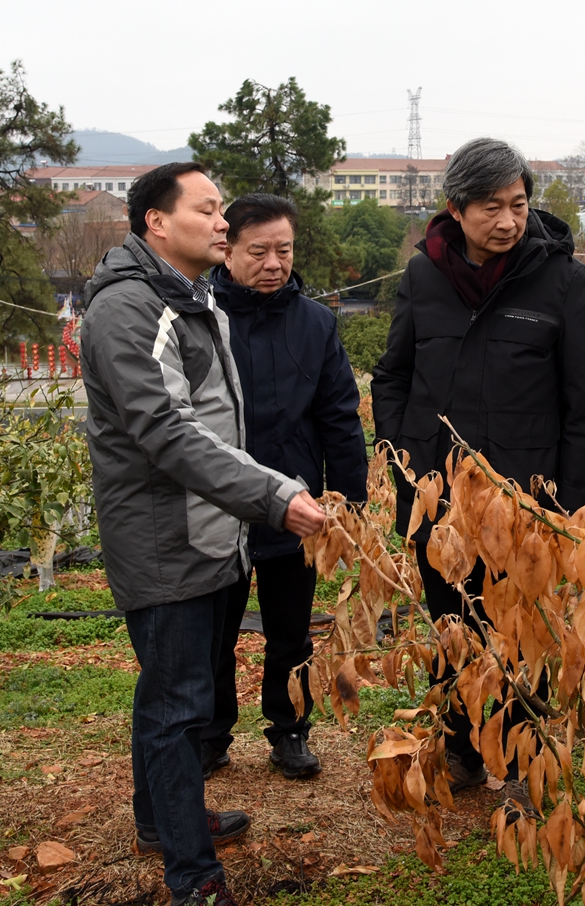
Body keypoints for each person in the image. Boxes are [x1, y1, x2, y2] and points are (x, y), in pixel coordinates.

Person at [79, 162, 327, 906]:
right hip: (166, 539)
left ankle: (164, 819)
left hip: (211, 530)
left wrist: (256, 502)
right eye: (209, 209)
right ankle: (192, 874)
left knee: (172, 694)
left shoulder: (189, 300)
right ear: (157, 223)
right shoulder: (129, 309)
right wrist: (275, 496)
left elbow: (219, 427)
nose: (224, 223)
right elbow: (169, 431)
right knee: (177, 705)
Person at [372, 137, 585, 817]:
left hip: (522, 506)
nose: (507, 221)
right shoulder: (423, 277)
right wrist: (405, 454)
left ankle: (529, 772)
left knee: (522, 637)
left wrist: (565, 506)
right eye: (490, 207)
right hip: (438, 505)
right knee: (452, 626)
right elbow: (392, 373)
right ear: (456, 209)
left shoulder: (564, 283)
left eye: (518, 204)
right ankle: (463, 751)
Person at [204, 193, 368, 780]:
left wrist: (348, 501)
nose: (274, 263)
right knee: (215, 632)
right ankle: (210, 733)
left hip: (294, 505)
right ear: (226, 249)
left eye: (284, 249)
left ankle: (290, 730)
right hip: (216, 504)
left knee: (291, 632)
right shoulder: (202, 317)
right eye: (258, 251)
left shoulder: (316, 323)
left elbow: (339, 416)